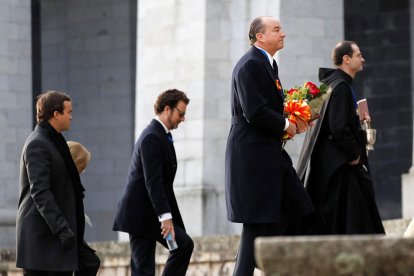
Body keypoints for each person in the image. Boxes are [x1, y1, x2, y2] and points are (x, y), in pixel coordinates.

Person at [225, 16, 314, 276]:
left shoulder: (266, 64)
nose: (283, 34)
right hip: (254, 160)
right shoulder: (250, 65)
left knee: (299, 211)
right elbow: (254, 111)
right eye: (277, 30)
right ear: (259, 36)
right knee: (255, 227)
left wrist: (294, 120)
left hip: (269, 157)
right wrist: (287, 124)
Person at [296, 41, 385, 235]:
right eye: (358, 55)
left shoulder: (329, 85)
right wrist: (355, 154)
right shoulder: (341, 87)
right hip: (341, 169)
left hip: (327, 169)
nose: (363, 59)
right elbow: (338, 128)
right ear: (346, 59)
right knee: (355, 222)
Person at [16, 91, 100, 276]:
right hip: (43, 241)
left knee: (91, 262)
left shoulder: (53, 141)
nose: (71, 116)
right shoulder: (37, 144)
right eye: (69, 112)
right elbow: (40, 192)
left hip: (56, 238)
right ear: (56, 114)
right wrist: (63, 229)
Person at [113, 89, 194, 276]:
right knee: (143, 270)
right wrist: (166, 217)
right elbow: (154, 181)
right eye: (181, 113)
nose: (183, 119)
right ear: (167, 109)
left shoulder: (161, 135)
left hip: (153, 214)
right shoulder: (151, 136)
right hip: (140, 214)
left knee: (183, 245)